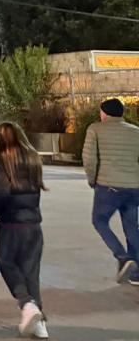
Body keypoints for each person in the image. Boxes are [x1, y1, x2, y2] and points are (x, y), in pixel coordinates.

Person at [0, 122, 49, 339]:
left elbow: (1, 194)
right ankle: (40, 324)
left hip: (12, 224)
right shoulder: (33, 157)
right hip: (34, 224)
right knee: (31, 272)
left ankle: (27, 305)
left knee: (6, 263)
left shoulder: (2, 161)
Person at [82, 98, 139, 285]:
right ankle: (136, 273)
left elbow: (89, 159)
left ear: (104, 113)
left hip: (108, 186)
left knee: (99, 220)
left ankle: (122, 257)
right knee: (131, 228)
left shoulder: (95, 129)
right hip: (133, 188)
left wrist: (92, 180)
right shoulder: (135, 132)